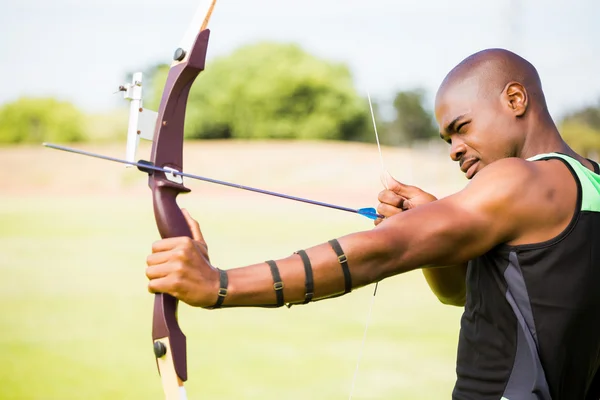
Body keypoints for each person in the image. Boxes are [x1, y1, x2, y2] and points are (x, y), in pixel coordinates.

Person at [145, 48, 600, 400]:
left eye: (462, 127)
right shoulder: (589, 180)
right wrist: (433, 225)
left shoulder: (521, 179)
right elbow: (463, 293)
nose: (454, 149)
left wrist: (219, 284)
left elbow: (384, 250)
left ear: (515, 99)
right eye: (447, 138)